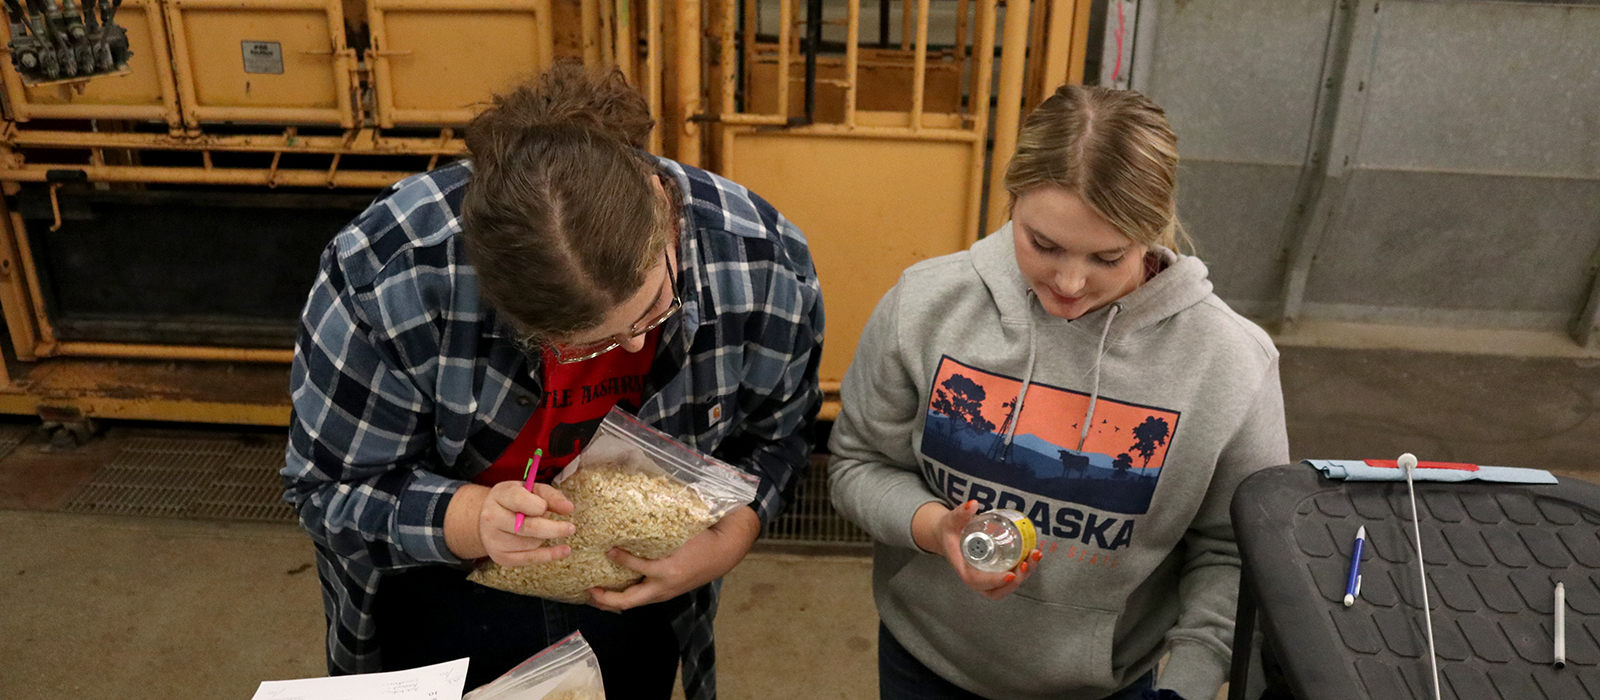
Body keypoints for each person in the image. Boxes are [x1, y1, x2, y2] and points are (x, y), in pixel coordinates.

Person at [283, 60, 824, 700]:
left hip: (639, 595)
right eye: (583, 343)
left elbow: (779, 438)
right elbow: (327, 491)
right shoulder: (390, 272)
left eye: (655, 308)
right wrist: (472, 518)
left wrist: (729, 539)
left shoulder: (761, 259)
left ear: (661, 206)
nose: (634, 345)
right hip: (439, 592)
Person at [828, 84, 1288, 700]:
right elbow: (857, 466)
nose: (1069, 283)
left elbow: (1235, 547)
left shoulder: (1230, 360)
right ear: (1012, 199)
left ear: (1154, 229)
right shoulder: (924, 305)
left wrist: (1190, 680)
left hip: (1114, 685)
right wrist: (937, 528)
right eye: (1042, 244)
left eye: (1108, 256)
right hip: (925, 658)